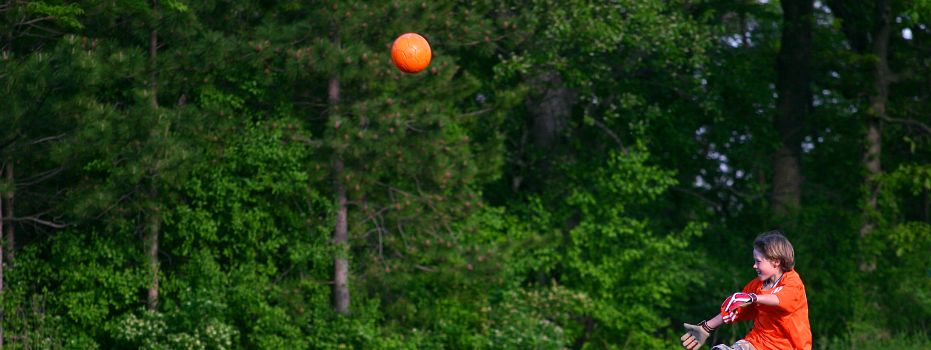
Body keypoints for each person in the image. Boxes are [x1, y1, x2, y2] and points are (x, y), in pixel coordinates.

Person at [680, 231, 812, 350]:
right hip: (756, 343)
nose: (754, 266)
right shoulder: (756, 285)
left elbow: (778, 298)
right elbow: (736, 309)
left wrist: (753, 298)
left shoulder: (793, 282)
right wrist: (706, 328)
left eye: (758, 261)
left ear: (776, 262)